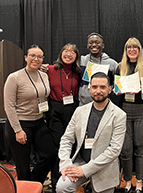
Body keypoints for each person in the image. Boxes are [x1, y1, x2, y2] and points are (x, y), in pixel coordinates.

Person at [55, 72, 126, 193]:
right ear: (90, 89)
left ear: (110, 89)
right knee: (62, 187)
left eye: (102, 87)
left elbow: (114, 149)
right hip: (81, 161)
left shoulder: (119, 115)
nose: (98, 91)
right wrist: (65, 164)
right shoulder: (80, 111)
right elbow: (67, 139)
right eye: (94, 87)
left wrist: (86, 169)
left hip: (104, 167)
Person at [4, 44, 56, 184]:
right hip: (20, 123)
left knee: (50, 153)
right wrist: (18, 130)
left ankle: (33, 182)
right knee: (23, 164)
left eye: (39, 56)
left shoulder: (44, 75)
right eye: (32, 55)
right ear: (26, 57)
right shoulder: (14, 77)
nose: (36, 59)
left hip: (38, 121)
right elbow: (9, 106)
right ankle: (25, 187)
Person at [115, 37, 143, 193]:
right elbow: (115, 93)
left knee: (140, 148)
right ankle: (128, 181)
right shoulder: (119, 68)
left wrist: (142, 91)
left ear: (139, 50)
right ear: (125, 50)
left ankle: (139, 181)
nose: (132, 50)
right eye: (129, 47)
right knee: (125, 150)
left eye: (135, 47)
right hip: (124, 111)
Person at [46, 43, 81, 192]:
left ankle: (70, 179)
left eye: (72, 52)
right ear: (61, 53)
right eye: (66, 51)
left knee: (72, 144)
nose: (69, 54)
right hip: (55, 109)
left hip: (72, 109)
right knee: (59, 145)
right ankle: (56, 181)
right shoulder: (49, 69)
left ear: (76, 57)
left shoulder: (78, 72)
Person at [79, 32, 118, 106]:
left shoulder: (112, 64)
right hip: (83, 104)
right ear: (87, 46)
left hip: (103, 104)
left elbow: (116, 84)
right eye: (91, 43)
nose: (94, 45)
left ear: (103, 45)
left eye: (97, 43)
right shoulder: (81, 61)